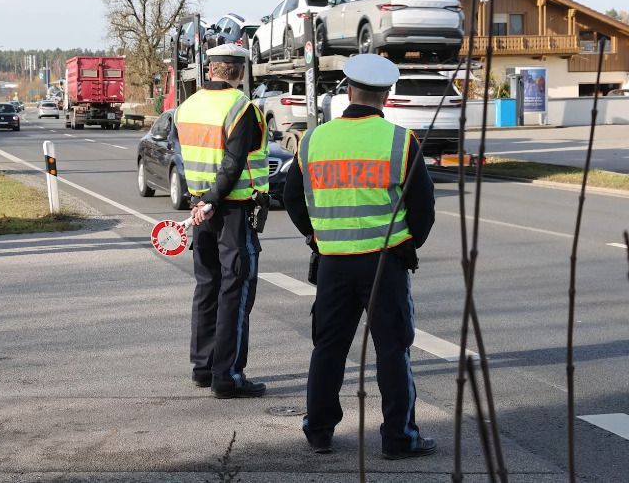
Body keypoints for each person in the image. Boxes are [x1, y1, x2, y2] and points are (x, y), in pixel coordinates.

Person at [282, 54, 437, 459]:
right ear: (386, 96)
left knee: (328, 348)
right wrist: (408, 243)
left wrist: (318, 237)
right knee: (391, 349)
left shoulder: (313, 140)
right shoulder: (401, 141)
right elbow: (423, 209)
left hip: (332, 262)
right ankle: (399, 438)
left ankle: (318, 432)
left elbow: (292, 199)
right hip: (385, 262)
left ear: (348, 91)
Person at [173, 43, 270, 399]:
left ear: (210, 69)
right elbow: (233, 163)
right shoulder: (240, 107)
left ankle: (203, 367)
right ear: (239, 71)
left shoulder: (186, 107)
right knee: (236, 289)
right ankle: (228, 375)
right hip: (231, 210)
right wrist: (214, 199)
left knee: (207, 285)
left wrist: (198, 200)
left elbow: (183, 158)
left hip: (200, 209)